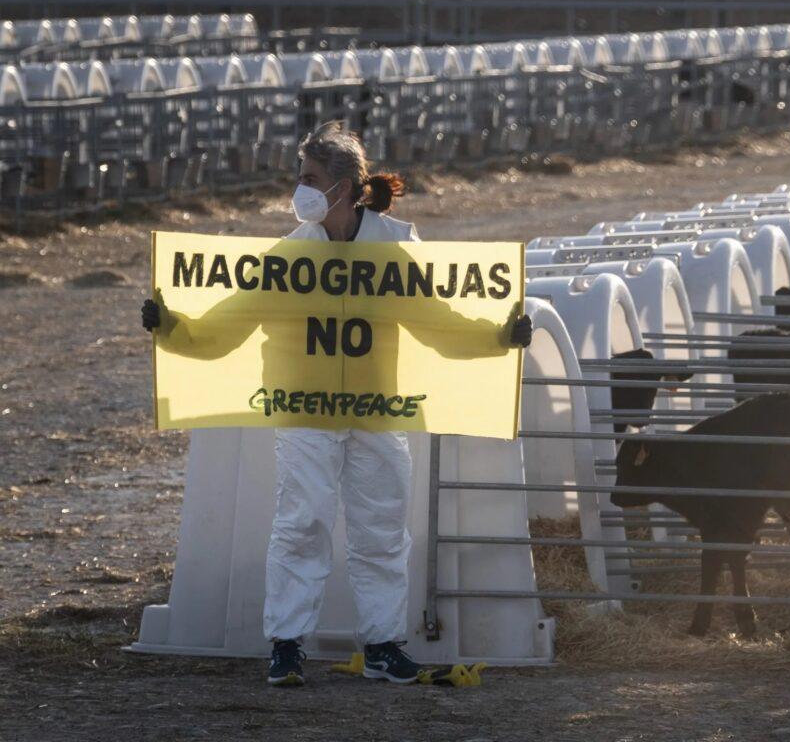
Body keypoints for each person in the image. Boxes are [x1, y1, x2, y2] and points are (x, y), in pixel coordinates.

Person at [142, 122, 533, 687]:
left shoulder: (395, 249)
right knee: (302, 525)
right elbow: (226, 326)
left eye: (309, 178)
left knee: (381, 531)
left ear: (345, 186)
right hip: (306, 414)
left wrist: (501, 336)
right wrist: (171, 326)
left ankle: (382, 645)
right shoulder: (288, 255)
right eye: (299, 177)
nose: (298, 190)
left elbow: (439, 324)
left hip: (376, 413)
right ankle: (286, 645)